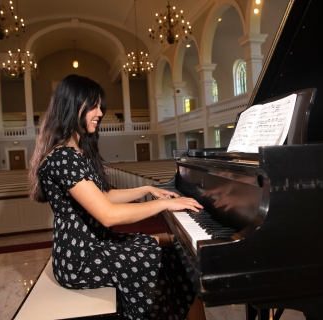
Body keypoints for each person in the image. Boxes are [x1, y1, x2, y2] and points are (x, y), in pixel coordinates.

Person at [28, 74, 206, 320]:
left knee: (174, 252)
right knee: (158, 258)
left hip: (93, 246)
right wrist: (164, 203)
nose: (100, 112)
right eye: (93, 105)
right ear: (71, 104)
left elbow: (105, 196)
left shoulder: (75, 151)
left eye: (101, 106)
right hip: (79, 258)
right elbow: (108, 215)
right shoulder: (63, 157)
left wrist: (148, 190)